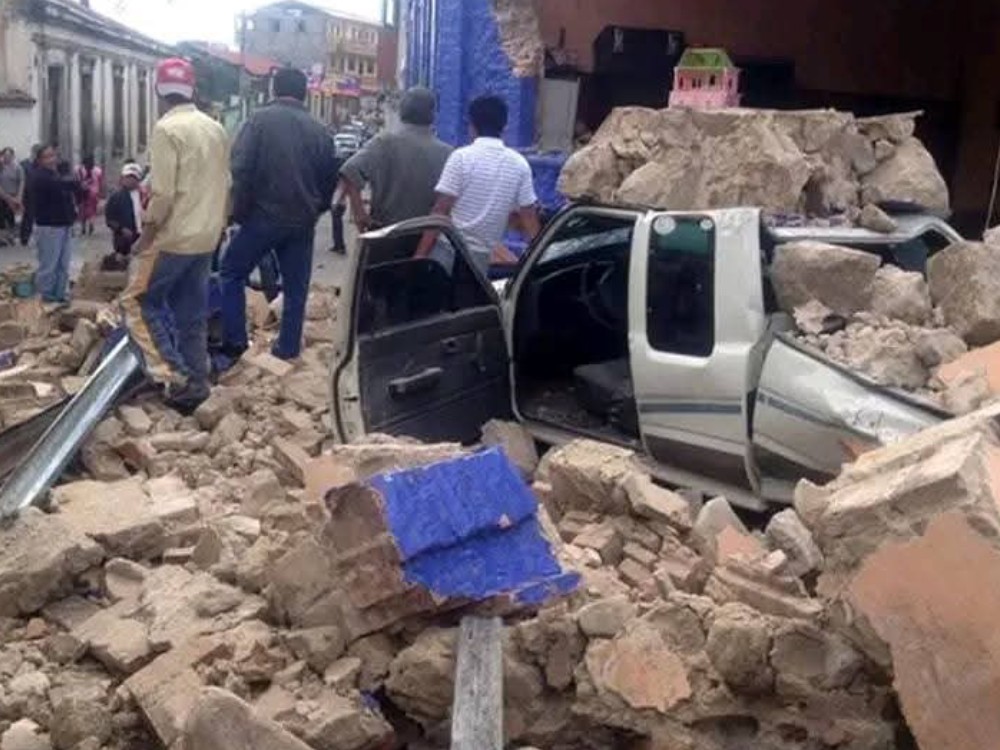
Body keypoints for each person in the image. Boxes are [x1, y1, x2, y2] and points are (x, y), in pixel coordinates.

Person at [120, 58, 230, 413]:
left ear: (158, 91)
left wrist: (145, 236)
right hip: (206, 238)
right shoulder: (215, 129)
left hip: (174, 238)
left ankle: (174, 374)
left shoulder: (166, 130)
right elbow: (226, 185)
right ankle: (197, 384)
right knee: (191, 314)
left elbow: (163, 194)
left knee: (136, 302)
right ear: (192, 90)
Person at [220, 67, 338, 363]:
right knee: (296, 287)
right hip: (302, 221)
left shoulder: (258, 122)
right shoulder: (320, 130)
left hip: (263, 217)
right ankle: (287, 349)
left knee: (231, 271)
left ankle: (236, 342)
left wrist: (240, 212)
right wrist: (316, 210)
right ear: (304, 93)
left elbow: (241, 170)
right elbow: (330, 178)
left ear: (274, 90)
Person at [415, 95, 540, 275]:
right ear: (504, 126)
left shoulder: (461, 158)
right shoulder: (520, 165)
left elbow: (440, 212)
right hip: (481, 263)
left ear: (472, 126)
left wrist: (419, 257)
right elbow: (529, 219)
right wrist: (540, 260)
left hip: (448, 253)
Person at [340, 87, 452, 234]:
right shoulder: (447, 154)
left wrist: (360, 214)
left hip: (384, 235)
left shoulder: (383, 143)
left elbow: (349, 171)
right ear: (432, 115)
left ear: (402, 111)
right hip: (426, 241)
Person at [32, 145, 82, 303]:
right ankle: (45, 299)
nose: (52, 159)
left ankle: (60, 296)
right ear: (39, 160)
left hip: (64, 225)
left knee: (63, 264)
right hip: (49, 227)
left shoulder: (56, 174)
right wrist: (75, 183)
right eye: (47, 157)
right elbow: (64, 184)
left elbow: (71, 192)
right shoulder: (39, 176)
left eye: (53, 155)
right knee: (49, 266)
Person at [105, 163, 145, 260]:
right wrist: (121, 229)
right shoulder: (116, 197)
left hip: (143, 239)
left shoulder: (144, 195)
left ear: (138, 179)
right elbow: (109, 219)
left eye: (133, 177)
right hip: (124, 242)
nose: (130, 180)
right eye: (127, 177)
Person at [0, 148, 24, 246]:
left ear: (13, 156)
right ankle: (3, 239)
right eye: (5, 156)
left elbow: (22, 182)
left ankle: (12, 238)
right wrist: (8, 198)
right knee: (2, 218)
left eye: (9, 156)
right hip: (3, 197)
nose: (7, 158)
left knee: (14, 219)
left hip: (15, 197)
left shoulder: (18, 168)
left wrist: (19, 197)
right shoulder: (0, 168)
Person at [75, 154, 103, 236]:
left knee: (82, 210)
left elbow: (76, 181)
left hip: (82, 192)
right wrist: (101, 194)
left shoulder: (78, 169)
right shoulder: (98, 170)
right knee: (92, 211)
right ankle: (91, 224)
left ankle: (83, 227)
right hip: (94, 193)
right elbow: (101, 183)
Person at [19, 145, 40, 246]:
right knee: (27, 216)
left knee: (33, 216)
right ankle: (24, 237)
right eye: (36, 152)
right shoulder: (24, 164)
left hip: (37, 193)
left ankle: (30, 236)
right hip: (26, 194)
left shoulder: (39, 165)